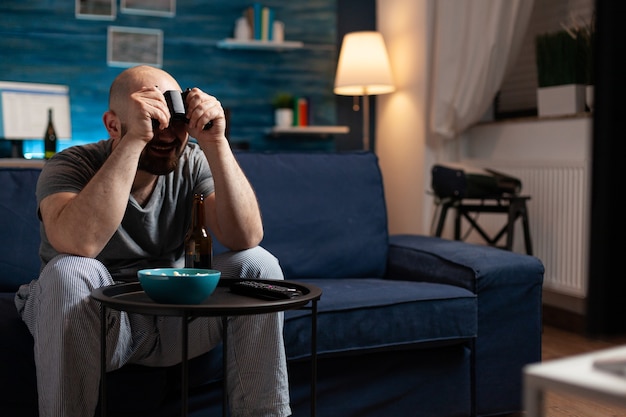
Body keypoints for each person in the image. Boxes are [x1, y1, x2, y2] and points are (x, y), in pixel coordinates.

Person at [14, 65, 291, 417]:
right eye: (152, 119)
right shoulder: (74, 163)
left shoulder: (191, 160)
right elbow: (78, 243)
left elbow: (245, 236)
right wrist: (134, 140)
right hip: (97, 318)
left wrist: (215, 142)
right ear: (113, 125)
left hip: (173, 313)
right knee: (69, 270)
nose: (166, 133)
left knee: (259, 263)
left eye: (174, 119)